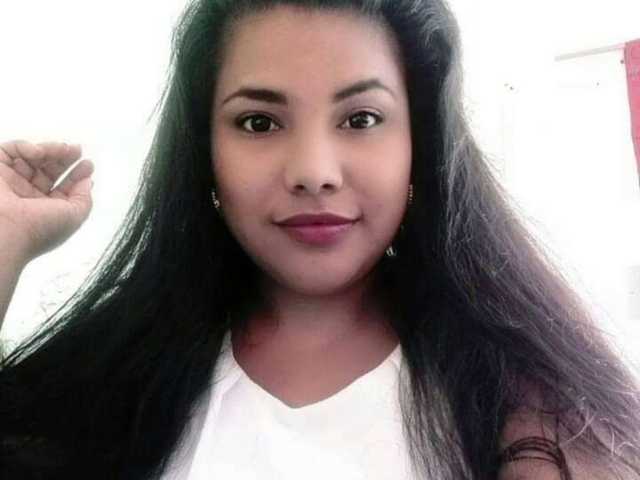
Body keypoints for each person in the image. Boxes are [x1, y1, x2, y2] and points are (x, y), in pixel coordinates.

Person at [1, 0, 639, 478]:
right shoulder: (102, 384)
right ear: (205, 154)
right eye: (259, 122)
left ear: (419, 146)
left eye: (361, 118)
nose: (313, 171)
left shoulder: (535, 411)